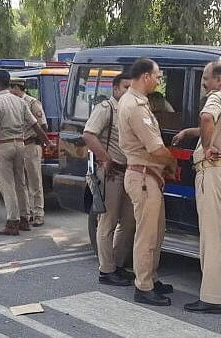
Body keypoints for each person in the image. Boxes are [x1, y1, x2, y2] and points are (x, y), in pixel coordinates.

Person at [173, 61, 221, 314]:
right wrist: (190, 132)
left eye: (205, 78)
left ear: (218, 79)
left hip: (214, 173)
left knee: (210, 239)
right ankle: (216, 290)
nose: (203, 84)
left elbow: (208, 118)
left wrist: (206, 147)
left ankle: (211, 298)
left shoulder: (216, 97)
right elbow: (218, 126)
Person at [118, 58, 177, 306]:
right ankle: (143, 286)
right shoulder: (135, 106)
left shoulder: (138, 102)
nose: (158, 80)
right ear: (145, 77)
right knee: (146, 234)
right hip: (143, 176)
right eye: (157, 76)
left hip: (149, 176)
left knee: (157, 232)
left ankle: (150, 277)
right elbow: (155, 148)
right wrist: (172, 163)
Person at [83, 73, 135, 286]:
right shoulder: (106, 108)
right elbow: (88, 134)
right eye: (125, 87)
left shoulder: (129, 111)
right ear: (115, 89)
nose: (128, 91)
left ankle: (118, 265)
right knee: (108, 222)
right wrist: (105, 159)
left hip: (127, 172)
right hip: (110, 173)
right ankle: (106, 270)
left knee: (129, 221)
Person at [0, 70, 52, 236]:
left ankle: (12, 221)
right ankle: (25, 218)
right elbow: (35, 124)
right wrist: (47, 141)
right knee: (20, 183)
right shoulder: (20, 101)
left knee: (7, 184)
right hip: (20, 144)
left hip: (4, 145)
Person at [10, 78, 47, 226]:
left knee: (35, 182)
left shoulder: (32, 103)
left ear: (16, 88)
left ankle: (38, 213)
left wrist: (39, 140)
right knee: (21, 182)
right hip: (18, 145)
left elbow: (43, 125)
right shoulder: (14, 103)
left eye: (11, 88)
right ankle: (27, 212)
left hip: (31, 145)